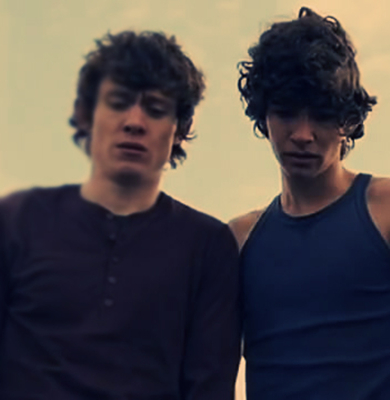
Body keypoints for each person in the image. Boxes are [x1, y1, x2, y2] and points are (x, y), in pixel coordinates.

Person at [230, 7, 390, 400]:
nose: (304, 134)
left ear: (348, 120)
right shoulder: (238, 241)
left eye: (323, 114)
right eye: (287, 112)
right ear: (264, 115)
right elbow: (212, 374)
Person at [0, 31, 241, 399]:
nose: (134, 122)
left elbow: (209, 387)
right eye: (118, 103)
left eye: (155, 109)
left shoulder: (208, 246)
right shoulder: (20, 220)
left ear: (181, 129)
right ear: (86, 115)